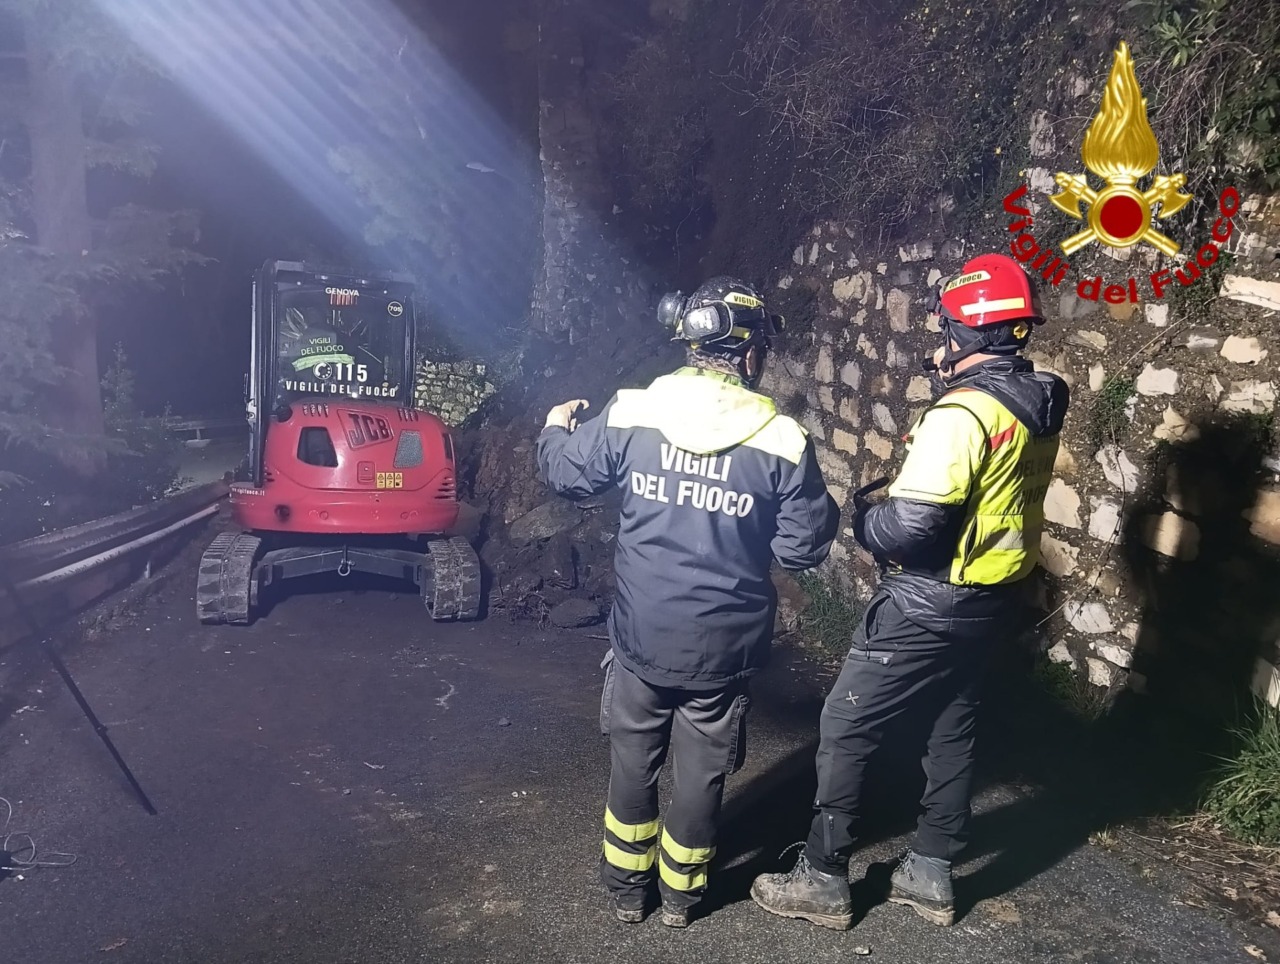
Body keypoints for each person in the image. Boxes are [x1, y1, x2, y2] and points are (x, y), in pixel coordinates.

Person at [751, 253, 1070, 930]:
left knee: (845, 724)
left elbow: (914, 525)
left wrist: (870, 521)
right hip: (991, 601)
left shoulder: (963, 415)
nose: (939, 340)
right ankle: (930, 872)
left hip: (929, 604)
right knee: (952, 723)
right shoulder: (1042, 400)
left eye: (948, 326)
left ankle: (822, 877)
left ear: (972, 333)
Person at [536, 276, 839, 928]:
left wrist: (555, 427)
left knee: (633, 765)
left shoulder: (632, 412)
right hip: (723, 650)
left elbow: (566, 472)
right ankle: (682, 898)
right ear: (750, 354)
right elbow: (802, 549)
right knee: (702, 775)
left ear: (693, 346)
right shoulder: (782, 441)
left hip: (643, 639)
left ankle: (625, 892)